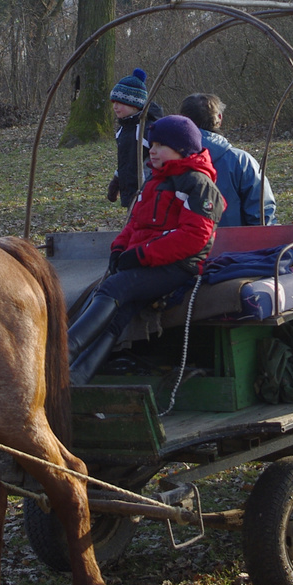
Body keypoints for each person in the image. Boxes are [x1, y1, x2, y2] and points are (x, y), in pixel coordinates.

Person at [67, 115, 225, 384]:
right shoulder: (154, 181)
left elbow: (194, 237)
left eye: (161, 145)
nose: (152, 150)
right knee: (121, 314)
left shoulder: (197, 184)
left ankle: (64, 350)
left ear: (183, 149)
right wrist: (119, 249)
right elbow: (134, 225)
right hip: (147, 262)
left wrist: (142, 254)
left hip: (178, 266)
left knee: (114, 289)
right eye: (151, 144)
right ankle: (76, 377)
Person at [178, 93, 276, 226]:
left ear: (182, 121)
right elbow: (262, 216)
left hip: (184, 245)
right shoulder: (241, 161)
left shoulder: (167, 160)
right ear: (219, 118)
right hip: (237, 245)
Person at [107, 68, 164, 206]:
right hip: (130, 192)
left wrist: (150, 187)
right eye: (114, 102)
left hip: (148, 193)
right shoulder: (122, 130)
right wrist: (117, 179)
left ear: (135, 105)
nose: (115, 107)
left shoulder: (147, 129)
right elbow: (126, 160)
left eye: (120, 103)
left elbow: (159, 160)